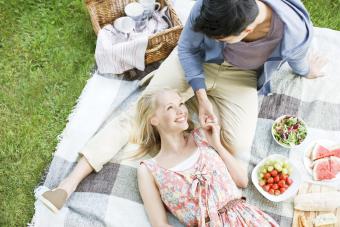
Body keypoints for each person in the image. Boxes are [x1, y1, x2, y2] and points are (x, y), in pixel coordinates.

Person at [39, 0, 327, 212]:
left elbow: (297, 58)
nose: (216, 41)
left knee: (237, 145)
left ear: (248, 28)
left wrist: (306, 70)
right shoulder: (211, 7)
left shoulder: (294, 31)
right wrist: (200, 95)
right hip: (194, 61)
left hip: (240, 77)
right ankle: (68, 184)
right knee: (141, 112)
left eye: (222, 39)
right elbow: (188, 47)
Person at [135, 88, 278, 226]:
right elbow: (159, 224)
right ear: (153, 119)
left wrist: (217, 145)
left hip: (248, 220)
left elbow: (242, 181)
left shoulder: (202, 135)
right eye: (170, 108)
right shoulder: (148, 170)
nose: (181, 111)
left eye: (181, 104)